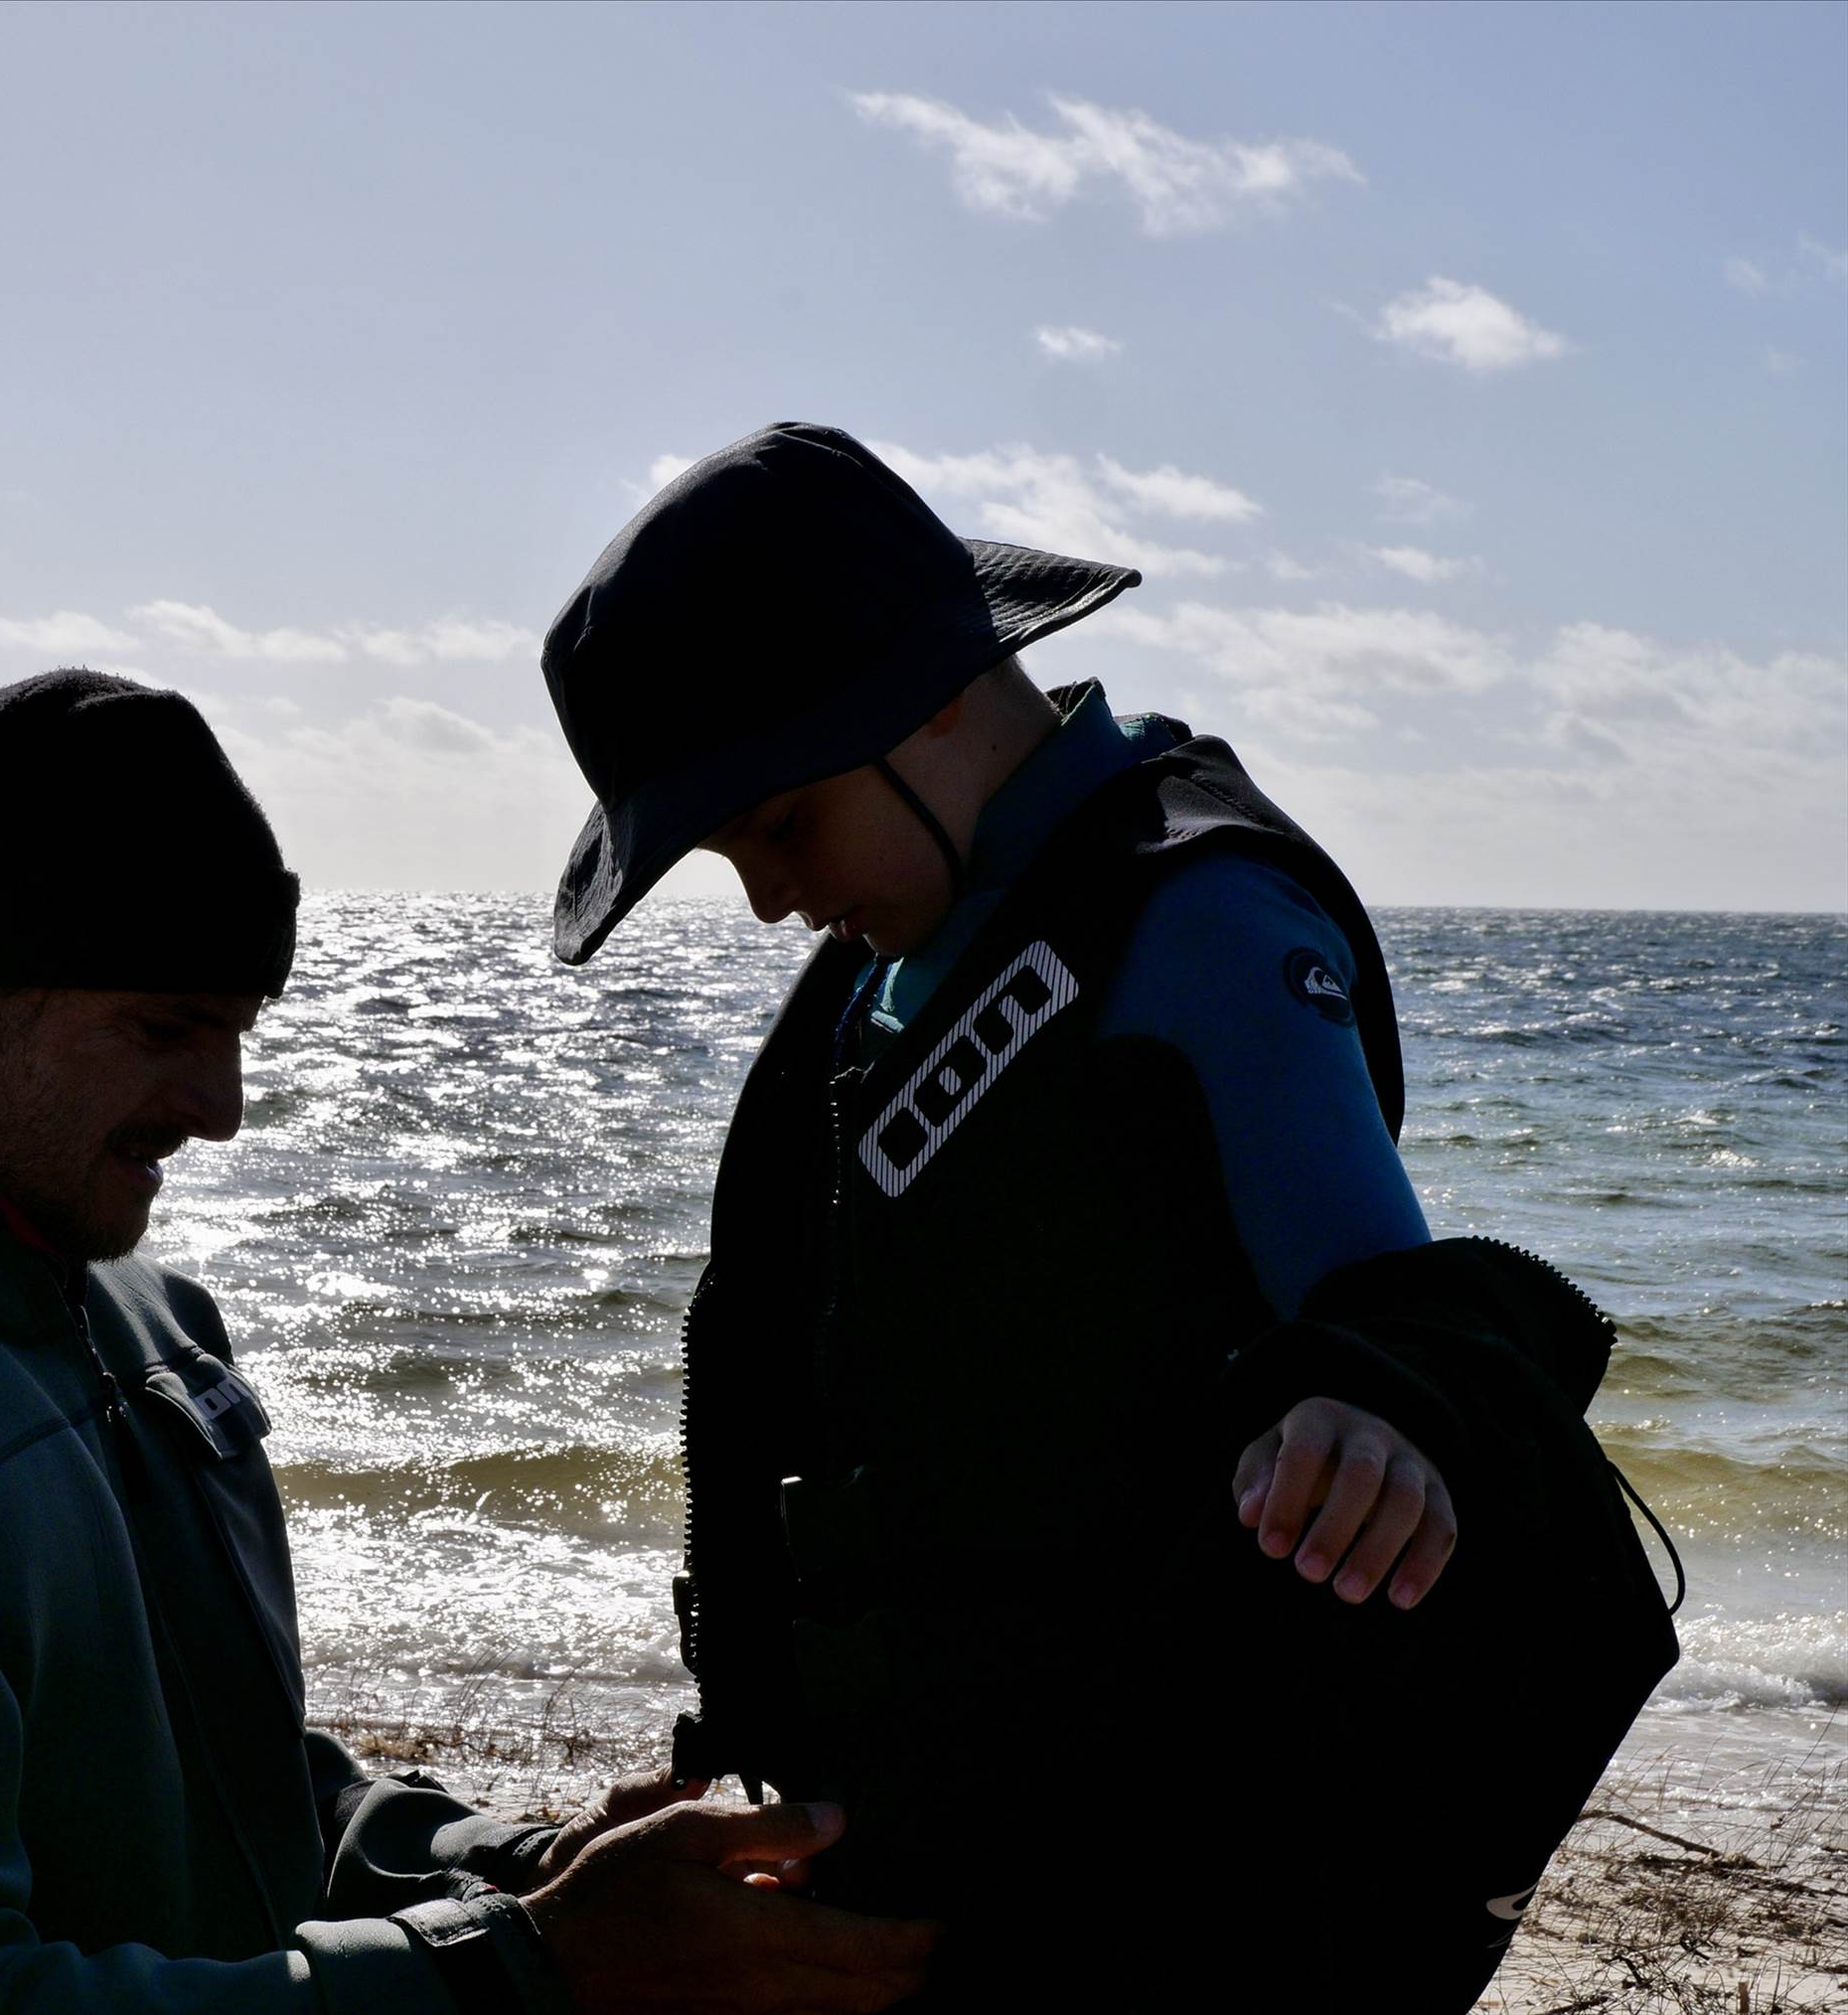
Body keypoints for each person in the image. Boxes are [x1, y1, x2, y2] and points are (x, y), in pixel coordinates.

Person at [0, 671, 938, 2014]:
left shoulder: (122, 1305)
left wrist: (519, 1870)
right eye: (165, 1028)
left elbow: (223, 1797)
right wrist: (530, 1968)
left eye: (239, 1031)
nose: (222, 1110)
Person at [536, 424, 1679, 2009]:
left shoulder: (1199, 917)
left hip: (1143, 1880)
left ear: (928, 694)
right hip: (935, 1838)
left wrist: (1372, 1413)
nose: (768, 899)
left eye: (780, 826)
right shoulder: (896, 959)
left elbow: (1395, 1318)